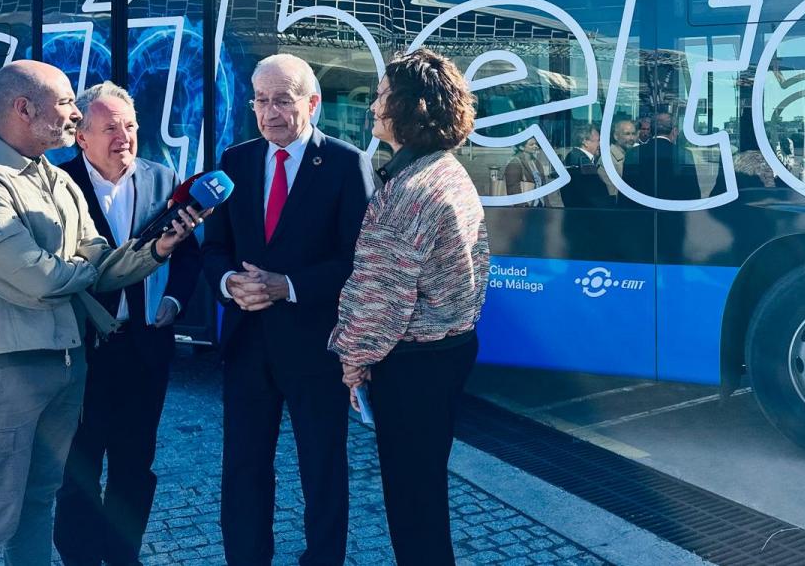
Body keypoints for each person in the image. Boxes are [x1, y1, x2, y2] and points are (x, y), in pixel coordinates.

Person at [0, 60, 199, 566]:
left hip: (63, 367)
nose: (75, 114)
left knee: (36, 506)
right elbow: (41, 280)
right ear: (24, 109)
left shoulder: (56, 181)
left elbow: (101, 264)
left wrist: (157, 250)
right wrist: (84, 269)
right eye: (67, 102)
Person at [201, 53, 375, 566]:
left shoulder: (345, 164)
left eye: (282, 100)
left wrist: (289, 286)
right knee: (243, 468)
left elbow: (358, 260)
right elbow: (215, 248)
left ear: (312, 103)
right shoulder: (235, 161)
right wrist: (230, 282)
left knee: (322, 469)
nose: (270, 112)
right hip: (247, 344)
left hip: (315, 347)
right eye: (260, 101)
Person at [331, 48, 489, 566]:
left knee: (412, 502)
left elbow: (379, 296)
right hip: (449, 349)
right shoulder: (449, 172)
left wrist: (353, 360)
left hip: (413, 362)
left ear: (409, 107)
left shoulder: (409, 191)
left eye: (381, 95)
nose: (373, 106)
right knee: (425, 493)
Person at [53, 82, 201, 566]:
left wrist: (175, 301)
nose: (124, 137)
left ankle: (123, 556)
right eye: (111, 128)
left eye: (131, 126)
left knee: (135, 467)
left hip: (144, 349)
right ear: (82, 136)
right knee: (79, 467)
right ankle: (80, 558)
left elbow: (189, 256)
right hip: (83, 352)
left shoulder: (163, 179)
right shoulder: (58, 185)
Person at [622, 112, 702, 202]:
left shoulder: (633, 153)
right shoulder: (684, 154)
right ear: (674, 131)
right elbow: (693, 194)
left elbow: (626, 191)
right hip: (674, 209)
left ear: (651, 131)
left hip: (641, 209)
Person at [559, 123, 610, 208]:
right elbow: (593, 193)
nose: (600, 144)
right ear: (585, 142)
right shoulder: (582, 161)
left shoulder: (575, 157)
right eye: (598, 140)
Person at [503, 136, 551, 206]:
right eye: (531, 144)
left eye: (536, 144)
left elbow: (543, 186)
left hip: (540, 205)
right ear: (521, 147)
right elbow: (513, 188)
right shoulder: (515, 163)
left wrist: (547, 205)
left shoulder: (537, 163)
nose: (535, 146)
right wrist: (522, 206)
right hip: (526, 206)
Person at [600, 117, 637, 201]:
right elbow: (612, 194)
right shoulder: (608, 160)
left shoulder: (631, 156)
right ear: (616, 136)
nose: (632, 138)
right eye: (627, 134)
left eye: (633, 134)